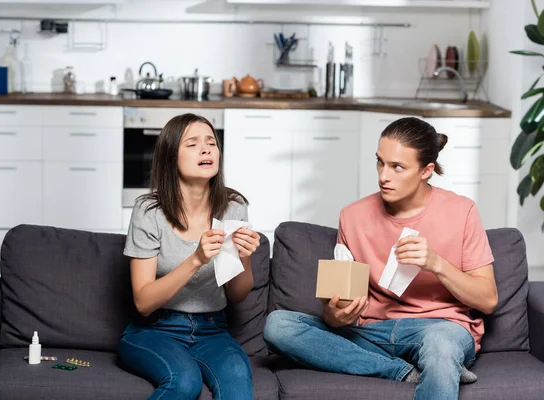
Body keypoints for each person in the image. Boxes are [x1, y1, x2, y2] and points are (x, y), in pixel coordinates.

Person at [263, 117, 498, 400]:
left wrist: (436, 263)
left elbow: (487, 300)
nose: (383, 176)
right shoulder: (353, 216)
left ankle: (439, 361)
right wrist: (335, 315)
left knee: (441, 346)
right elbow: (336, 310)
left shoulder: (462, 211)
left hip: (441, 329)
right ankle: (404, 371)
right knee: (278, 325)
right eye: (380, 162)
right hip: (372, 333)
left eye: (397, 167)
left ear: (426, 170)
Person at [117, 113, 260, 400]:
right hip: (155, 330)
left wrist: (244, 258)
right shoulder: (148, 211)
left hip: (213, 329)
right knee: (184, 381)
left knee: (238, 381)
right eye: (193, 144)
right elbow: (143, 303)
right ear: (171, 157)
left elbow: (237, 295)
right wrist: (196, 259)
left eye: (211, 142)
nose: (206, 149)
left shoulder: (234, 207)